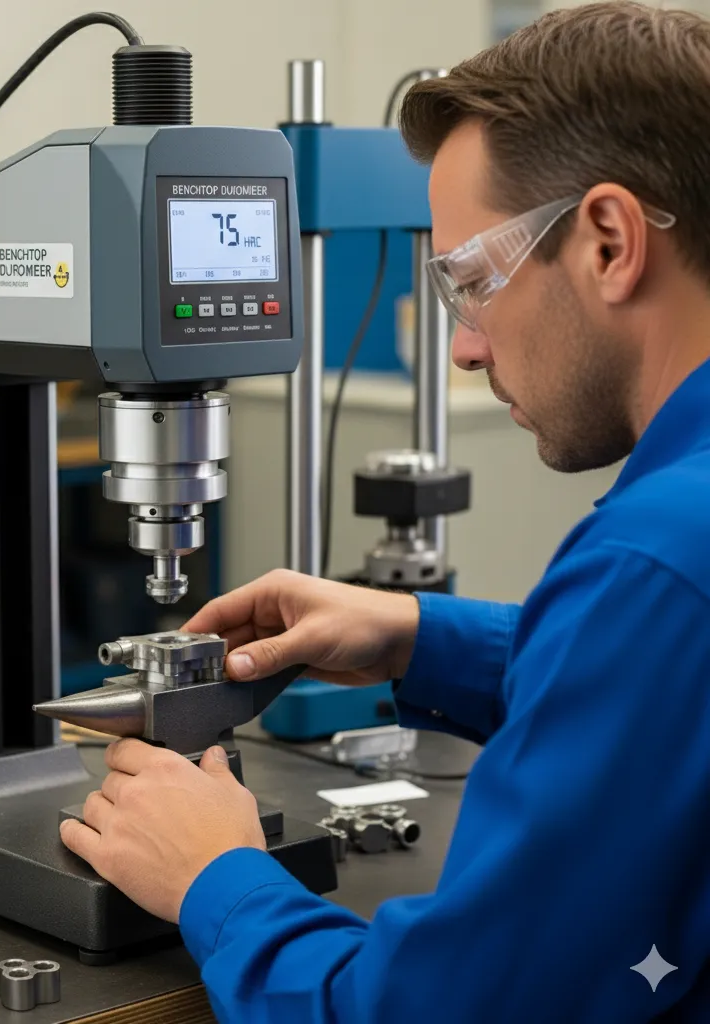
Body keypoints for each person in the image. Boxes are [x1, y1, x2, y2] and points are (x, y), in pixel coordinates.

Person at [60, 3, 710, 1019]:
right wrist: (415, 635)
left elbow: (427, 1010)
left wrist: (214, 874)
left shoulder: (655, 558)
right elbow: (664, 691)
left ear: (609, 242)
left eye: (469, 280)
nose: (463, 347)